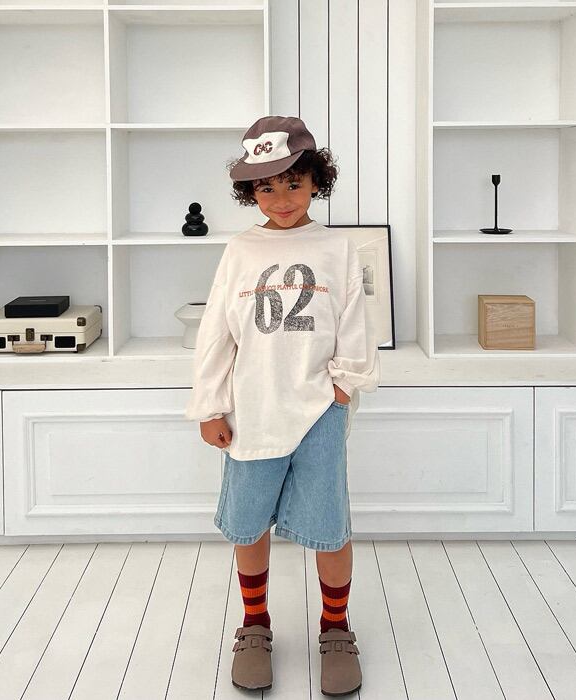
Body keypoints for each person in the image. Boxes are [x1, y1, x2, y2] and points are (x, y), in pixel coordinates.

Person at [184, 115, 380, 695]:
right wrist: (210, 405)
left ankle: (336, 629)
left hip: (320, 412)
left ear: (317, 180)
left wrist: (343, 387)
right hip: (252, 410)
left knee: (329, 526)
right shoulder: (241, 250)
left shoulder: (338, 247)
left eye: (294, 183)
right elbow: (217, 332)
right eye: (267, 187)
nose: (282, 198)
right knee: (249, 524)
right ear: (251, 192)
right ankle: (255, 624)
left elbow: (354, 321)